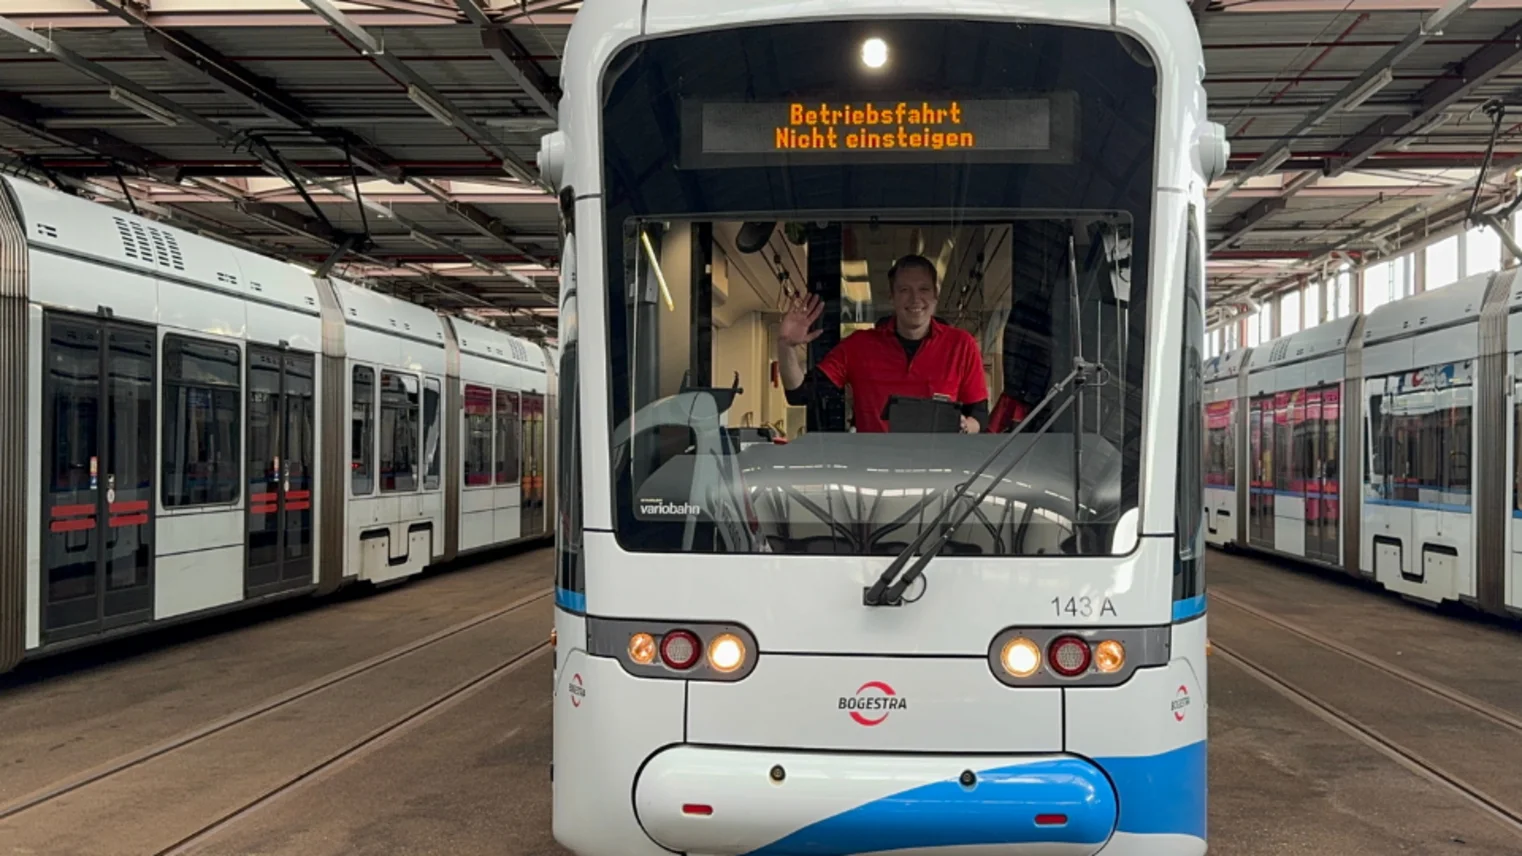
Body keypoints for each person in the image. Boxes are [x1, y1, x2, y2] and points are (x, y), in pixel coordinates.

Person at [777, 253, 989, 433]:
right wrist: (786, 346)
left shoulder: (962, 345)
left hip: (940, 473)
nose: (915, 299)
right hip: (873, 474)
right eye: (904, 290)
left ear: (935, 295)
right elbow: (800, 394)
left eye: (923, 289)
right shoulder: (858, 347)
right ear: (892, 297)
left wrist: (965, 426)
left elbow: (979, 414)